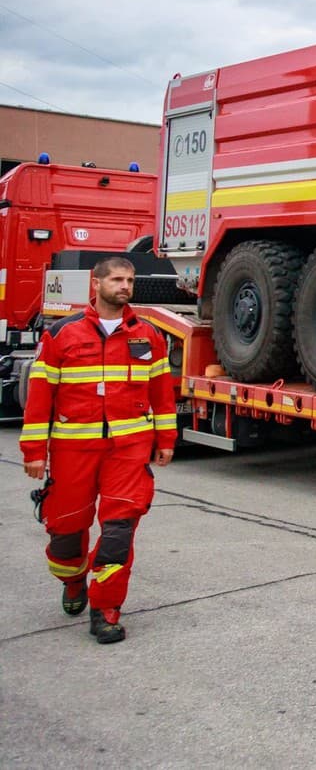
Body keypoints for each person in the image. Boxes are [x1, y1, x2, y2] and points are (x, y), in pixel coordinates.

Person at [18, 256, 177, 643]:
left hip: (128, 449)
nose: (125, 286)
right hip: (74, 448)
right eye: (118, 279)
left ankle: (105, 609)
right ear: (97, 283)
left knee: (119, 529)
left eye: (130, 280)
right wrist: (34, 450)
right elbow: (41, 396)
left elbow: (161, 392)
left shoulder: (148, 336)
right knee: (65, 534)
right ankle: (72, 582)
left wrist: (166, 440)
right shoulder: (61, 334)